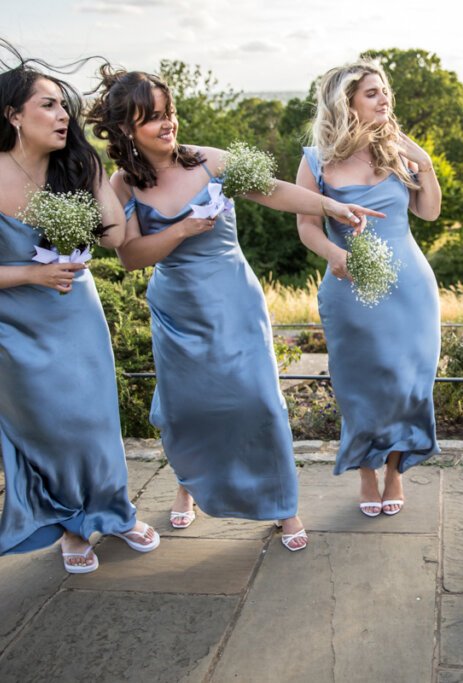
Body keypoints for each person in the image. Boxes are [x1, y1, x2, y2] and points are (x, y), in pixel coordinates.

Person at [87, 67, 383, 551]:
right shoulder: (123, 186)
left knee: (260, 403)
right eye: (154, 119)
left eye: (170, 113)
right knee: (189, 408)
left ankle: (283, 507)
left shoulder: (210, 162)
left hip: (236, 303)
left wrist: (329, 208)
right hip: (178, 311)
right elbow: (130, 256)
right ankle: (188, 485)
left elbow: (274, 190)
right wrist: (183, 229)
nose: (169, 125)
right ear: (125, 130)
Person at [0, 40, 158, 574]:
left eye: (64, 106)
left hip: (75, 312)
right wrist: (31, 272)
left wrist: (94, 169)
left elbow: (112, 239)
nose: (62, 115)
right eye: (48, 105)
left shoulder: (73, 167)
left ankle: (113, 510)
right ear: (13, 115)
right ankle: (69, 523)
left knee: (95, 417)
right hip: (11, 324)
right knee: (46, 423)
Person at [295, 60, 442, 517]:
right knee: (358, 383)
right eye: (372, 93)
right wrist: (333, 255)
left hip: (411, 287)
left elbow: (429, 213)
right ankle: (365, 470)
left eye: (384, 92)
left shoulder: (397, 153)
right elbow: (306, 226)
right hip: (351, 286)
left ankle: (395, 469)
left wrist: (426, 164)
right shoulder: (315, 159)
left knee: (409, 383)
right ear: (347, 103)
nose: (384, 100)